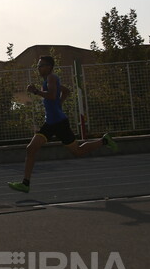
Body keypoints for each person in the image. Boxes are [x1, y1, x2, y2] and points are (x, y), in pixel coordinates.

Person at [8, 56, 118, 193]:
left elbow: (53, 95)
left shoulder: (51, 78)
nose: (38, 68)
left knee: (78, 151)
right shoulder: (48, 81)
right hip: (50, 122)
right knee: (31, 149)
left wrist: (36, 91)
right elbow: (65, 92)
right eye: (38, 66)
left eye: (41, 65)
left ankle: (104, 141)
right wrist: (58, 104)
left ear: (49, 66)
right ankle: (25, 183)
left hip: (59, 123)